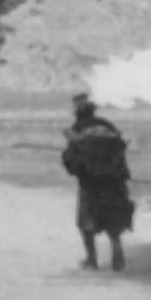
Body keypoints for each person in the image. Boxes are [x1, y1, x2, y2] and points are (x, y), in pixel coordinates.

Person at [62, 94, 134, 271]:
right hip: (115, 182)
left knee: (87, 221)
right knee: (113, 218)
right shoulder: (107, 126)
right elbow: (121, 150)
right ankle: (117, 252)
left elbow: (71, 161)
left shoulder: (77, 130)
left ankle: (92, 259)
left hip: (90, 183)